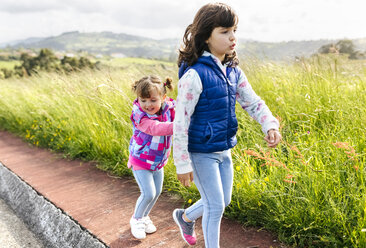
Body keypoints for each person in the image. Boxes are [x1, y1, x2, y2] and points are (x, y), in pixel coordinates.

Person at [172, 3, 281, 247]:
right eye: (224, 31)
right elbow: (181, 122)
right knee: (216, 205)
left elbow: (253, 103)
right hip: (201, 152)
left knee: (224, 200)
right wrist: (182, 162)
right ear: (206, 37)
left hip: (224, 149)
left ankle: (185, 216)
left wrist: (270, 125)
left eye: (234, 30)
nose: (232, 37)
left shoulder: (233, 72)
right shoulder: (194, 76)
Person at [128, 75, 175, 239]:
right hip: (140, 160)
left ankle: (144, 216)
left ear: (163, 98)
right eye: (143, 100)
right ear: (138, 99)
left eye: (153, 100)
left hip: (157, 161)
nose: (148, 105)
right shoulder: (140, 116)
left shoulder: (169, 108)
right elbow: (156, 128)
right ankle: (136, 219)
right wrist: (179, 126)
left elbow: (182, 111)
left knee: (156, 192)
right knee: (148, 193)